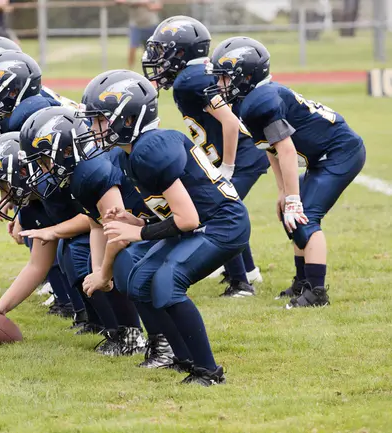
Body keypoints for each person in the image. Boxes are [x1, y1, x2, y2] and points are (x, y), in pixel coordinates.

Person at [76, 70, 253, 385]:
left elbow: (189, 219)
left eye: (100, 120)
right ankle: (182, 356)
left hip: (223, 224)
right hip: (200, 223)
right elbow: (178, 210)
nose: (93, 128)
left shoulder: (150, 149)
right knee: (139, 281)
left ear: (128, 119)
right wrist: (139, 221)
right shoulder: (131, 154)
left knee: (168, 283)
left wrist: (138, 234)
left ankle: (208, 372)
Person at [206, 36, 366, 308]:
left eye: (225, 78)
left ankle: (317, 292)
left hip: (341, 154)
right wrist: (283, 192)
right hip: (323, 156)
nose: (220, 85)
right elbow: (272, 149)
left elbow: (288, 150)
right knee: (289, 213)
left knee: (304, 216)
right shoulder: (252, 100)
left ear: (245, 76)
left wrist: (294, 199)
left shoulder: (261, 100)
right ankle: (303, 281)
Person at [20, 106, 177, 365]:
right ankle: (128, 333)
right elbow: (97, 222)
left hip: (165, 225)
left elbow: (116, 231)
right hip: (142, 224)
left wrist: (103, 272)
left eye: (44, 159)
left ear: (64, 150)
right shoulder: (80, 171)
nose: (42, 168)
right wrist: (98, 269)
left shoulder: (91, 170)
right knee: (96, 258)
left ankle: (156, 340)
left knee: (127, 265)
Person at [142, 16, 270, 297]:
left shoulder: (192, 79)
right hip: (240, 153)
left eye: (163, 52)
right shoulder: (191, 76)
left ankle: (241, 284)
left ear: (181, 52)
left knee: (217, 213)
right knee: (225, 208)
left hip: (243, 157)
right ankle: (247, 271)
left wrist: (227, 166)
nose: (158, 59)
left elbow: (230, 122)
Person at [115, 0, 161, 69]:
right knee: (132, 47)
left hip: (151, 25)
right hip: (136, 26)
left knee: (155, 48)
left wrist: (147, 4)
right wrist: (142, 3)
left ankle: (160, 68)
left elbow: (157, 7)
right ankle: (130, 70)